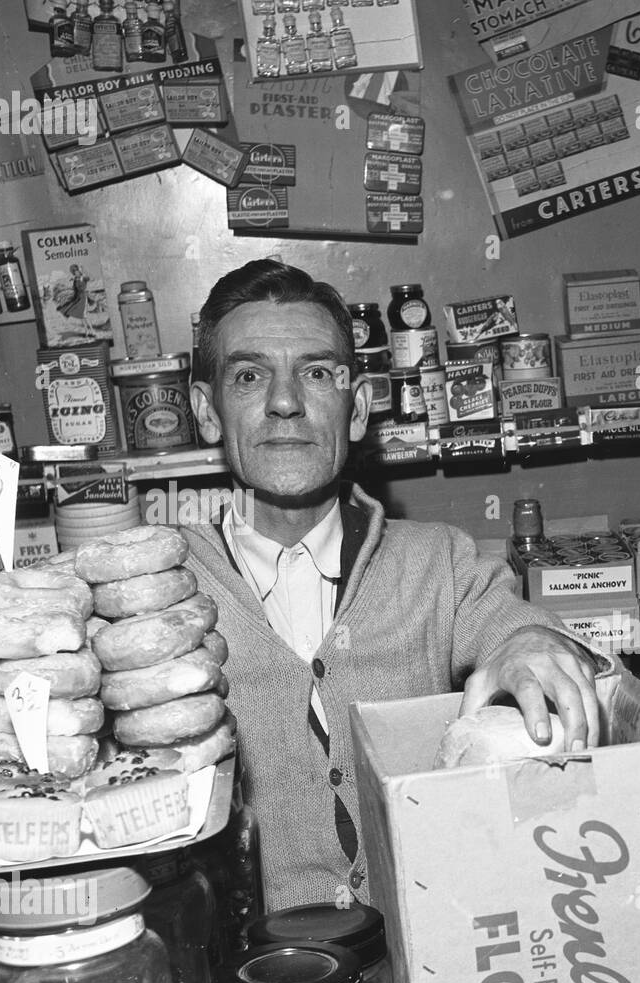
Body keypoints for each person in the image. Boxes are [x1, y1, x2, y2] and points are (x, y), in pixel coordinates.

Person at [186, 259, 602, 910]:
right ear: (208, 413)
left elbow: (518, 628)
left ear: (356, 410)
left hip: (426, 964)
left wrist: (530, 644)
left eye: (317, 372)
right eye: (249, 375)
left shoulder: (436, 561)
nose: (286, 401)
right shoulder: (170, 589)